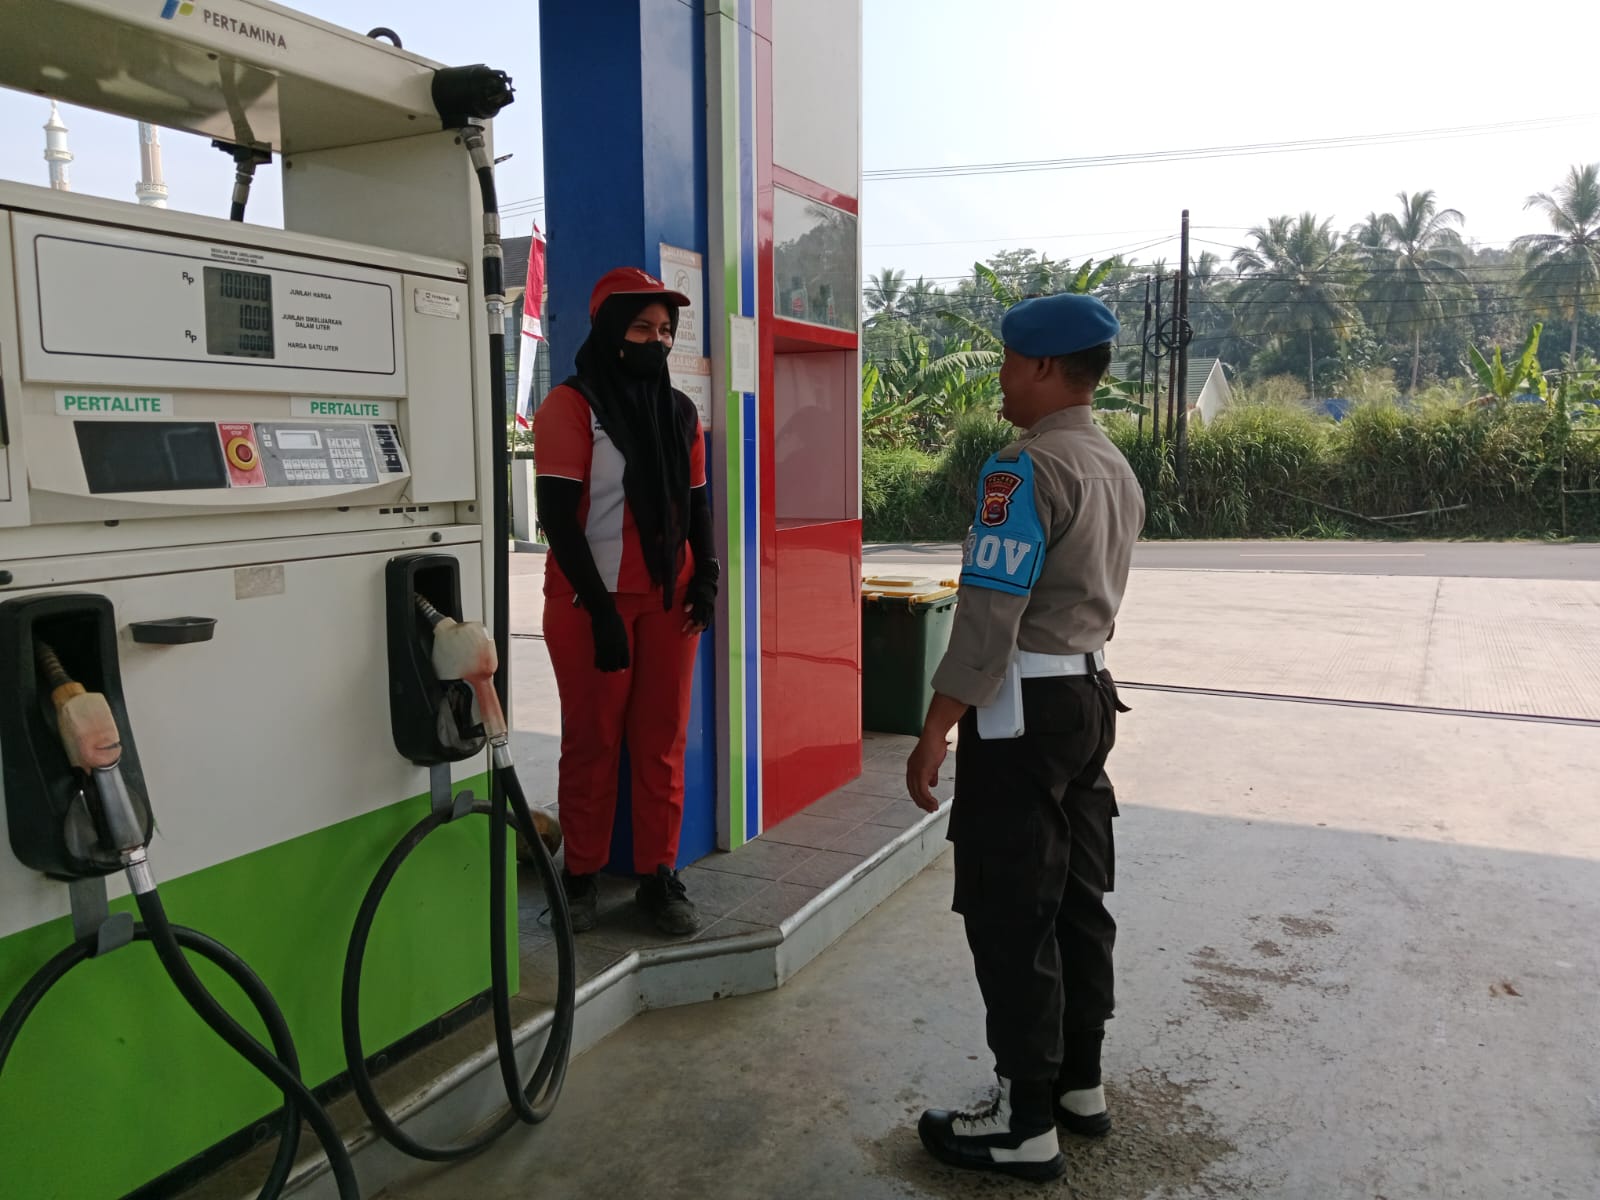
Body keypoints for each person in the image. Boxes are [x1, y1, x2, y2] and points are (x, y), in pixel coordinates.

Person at [904, 293, 1146, 1181]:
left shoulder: (1024, 469)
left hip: (1023, 717)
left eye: (1009, 363)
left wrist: (936, 727)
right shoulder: (1113, 464)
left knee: (1012, 907)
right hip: (1088, 700)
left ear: (1044, 367)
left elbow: (987, 618)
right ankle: (1079, 1084)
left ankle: (1023, 1122)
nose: (1001, 379)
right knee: (1078, 897)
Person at [533, 267, 719, 936]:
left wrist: (707, 575)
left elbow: (696, 504)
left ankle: (657, 876)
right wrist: (601, 609)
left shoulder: (680, 412)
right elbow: (557, 517)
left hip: (670, 599)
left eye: (665, 330)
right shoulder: (570, 407)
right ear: (611, 331)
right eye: (642, 328)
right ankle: (581, 875)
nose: (656, 341)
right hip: (591, 603)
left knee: (661, 741)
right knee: (592, 740)